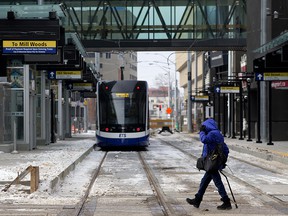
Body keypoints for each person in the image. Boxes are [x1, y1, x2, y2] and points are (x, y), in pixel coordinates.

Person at [186, 118, 232, 210]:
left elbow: (204, 140)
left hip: (212, 162)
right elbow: (224, 148)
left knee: (217, 182)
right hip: (213, 162)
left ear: (207, 126)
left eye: (204, 126)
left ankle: (226, 201)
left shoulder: (212, 134)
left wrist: (202, 132)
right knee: (204, 182)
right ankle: (197, 200)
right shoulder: (217, 133)